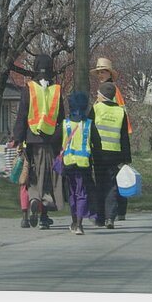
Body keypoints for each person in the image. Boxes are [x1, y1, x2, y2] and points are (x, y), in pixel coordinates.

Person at [12, 54, 65, 230]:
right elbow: (61, 119)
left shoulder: (28, 89)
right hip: (50, 142)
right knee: (48, 179)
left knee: (32, 177)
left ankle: (33, 200)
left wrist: (18, 139)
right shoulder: (57, 90)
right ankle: (44, 216)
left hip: (31, 140)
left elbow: (22, 117)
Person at [90, 57, 131, 221]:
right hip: (110, 145)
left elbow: (121, 114)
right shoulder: (103, 90)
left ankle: (117, 211)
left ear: (109, 73)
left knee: (112, 181)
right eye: (98, 72)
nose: (100, 74)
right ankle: (114, 212)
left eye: (103, 71)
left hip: (112, 143)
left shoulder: (112, 91)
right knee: (112, 180)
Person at [62, 91, 101, 235]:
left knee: (72, 193)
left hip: (68, 164)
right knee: (82, 193)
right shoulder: (89, 125)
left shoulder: (65, 124)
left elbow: (57, 141)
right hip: (84, 164)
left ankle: (73, 221)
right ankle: (79, 224)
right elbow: (97, 143)